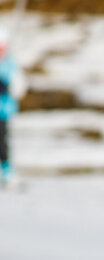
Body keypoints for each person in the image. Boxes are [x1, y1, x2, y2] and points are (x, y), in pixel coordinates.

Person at [0, 27, 28, 189]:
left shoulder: (11, 65)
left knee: (3, 142)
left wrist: (8, 86)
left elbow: (20, 88)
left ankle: (7, 171)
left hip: (2, 112)